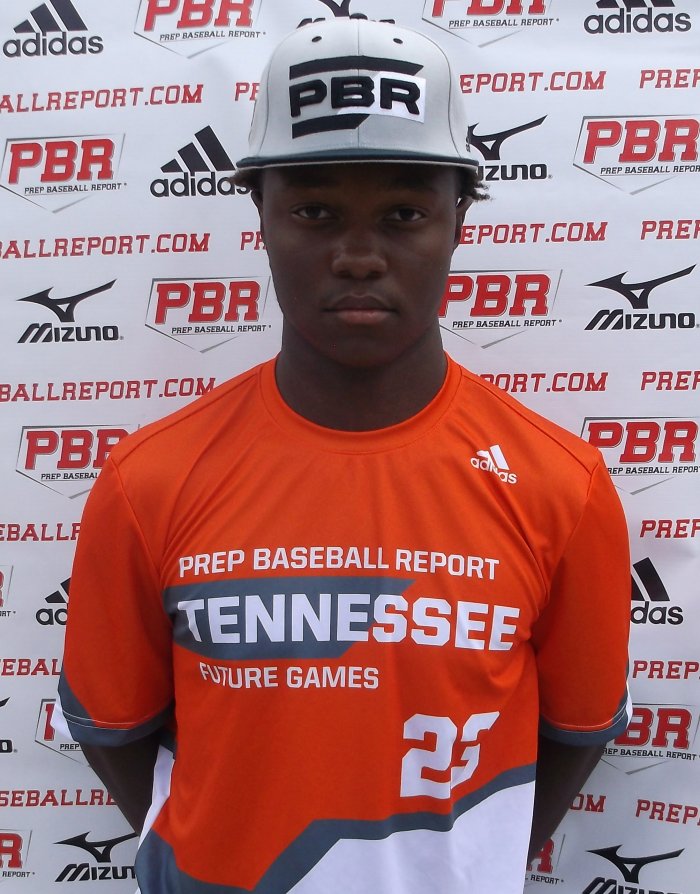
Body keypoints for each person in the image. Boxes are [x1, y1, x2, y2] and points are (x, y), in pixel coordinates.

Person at [56, 17, 631, 894]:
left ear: (459, 220)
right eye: (315, 212)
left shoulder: (562, 484)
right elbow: (114, 728)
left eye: (404, 214)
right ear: (260, 215)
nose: (359, 257)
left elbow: (577, 731)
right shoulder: (150, 480)